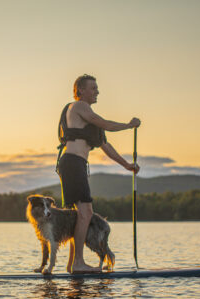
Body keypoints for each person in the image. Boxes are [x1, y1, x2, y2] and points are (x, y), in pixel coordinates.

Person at [57, 74, 140, 274]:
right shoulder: (78, 107)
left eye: (97, 88)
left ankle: (73, 264)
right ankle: (78, 263)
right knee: (86, 213)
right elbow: (107, 125)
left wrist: (127, 165)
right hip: (72, 163)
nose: (97, 92)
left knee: (80, 215)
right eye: (93, 88)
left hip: (76, 165)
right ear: (80, 90)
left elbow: (105, 146)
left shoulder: (88, 120)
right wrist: (129, 125)